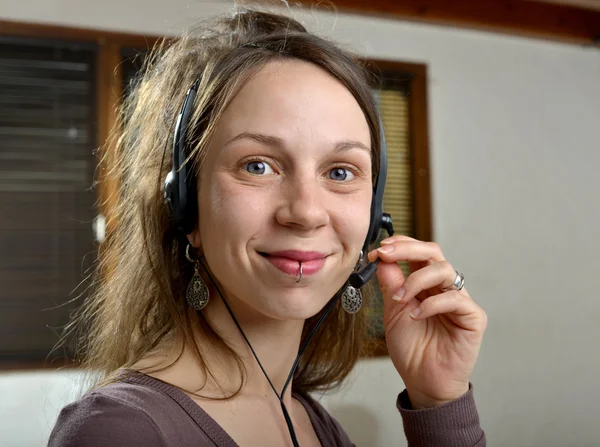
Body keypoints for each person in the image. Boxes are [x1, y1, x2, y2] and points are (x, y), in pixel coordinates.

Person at [49, 7, 487, 447]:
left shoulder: (310, 420)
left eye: (339, 172)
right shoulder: (119, 432)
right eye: (258, 165)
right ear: (185, 205)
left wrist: (438, 402)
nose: (306, 212)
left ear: (373, 217)